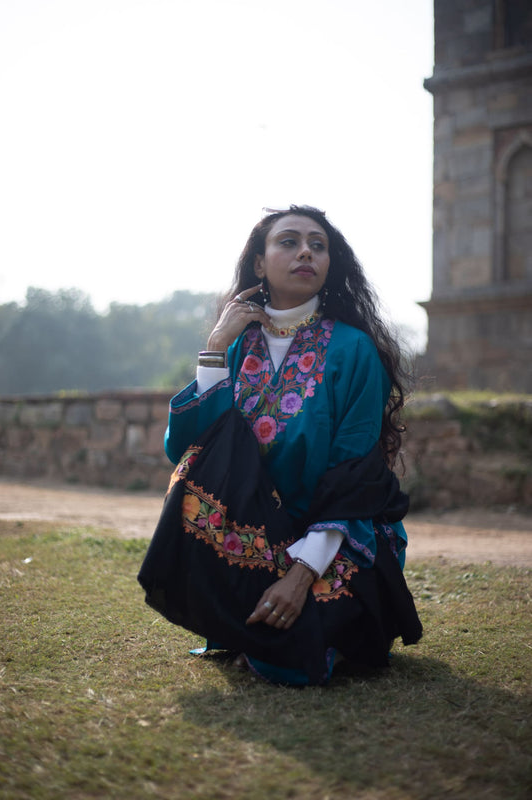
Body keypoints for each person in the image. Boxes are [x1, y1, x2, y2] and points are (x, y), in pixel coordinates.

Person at [138, 205, 422, 686]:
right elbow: (187, 451)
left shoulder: (354, 350)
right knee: (193, 477)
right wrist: (214, 349)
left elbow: (355, 479)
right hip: (250, 535)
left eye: (318, 245)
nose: (305, 252)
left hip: (337, 535)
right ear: (259, 262)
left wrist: (300, 576)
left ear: (330, 263)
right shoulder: (236, 346)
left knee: (290, 656)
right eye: (288, 241)